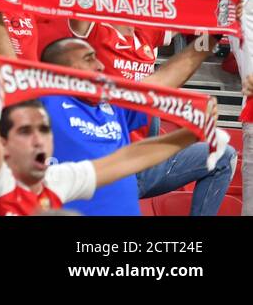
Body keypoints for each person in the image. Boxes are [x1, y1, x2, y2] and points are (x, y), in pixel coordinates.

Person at [0, 57, 204, 215]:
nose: (38, 139)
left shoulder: (56, 179)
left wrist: (194, 132)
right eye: (25, 132)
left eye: (43, 129)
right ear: (4, 146)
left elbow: (127, 159)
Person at [37, 36, 236, 216]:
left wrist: (212, 37)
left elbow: (160, 82)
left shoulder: (113, 105)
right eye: (88, 59)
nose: (99, 66)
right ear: (59, 70)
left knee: (224, 155)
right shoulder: (42, 103)